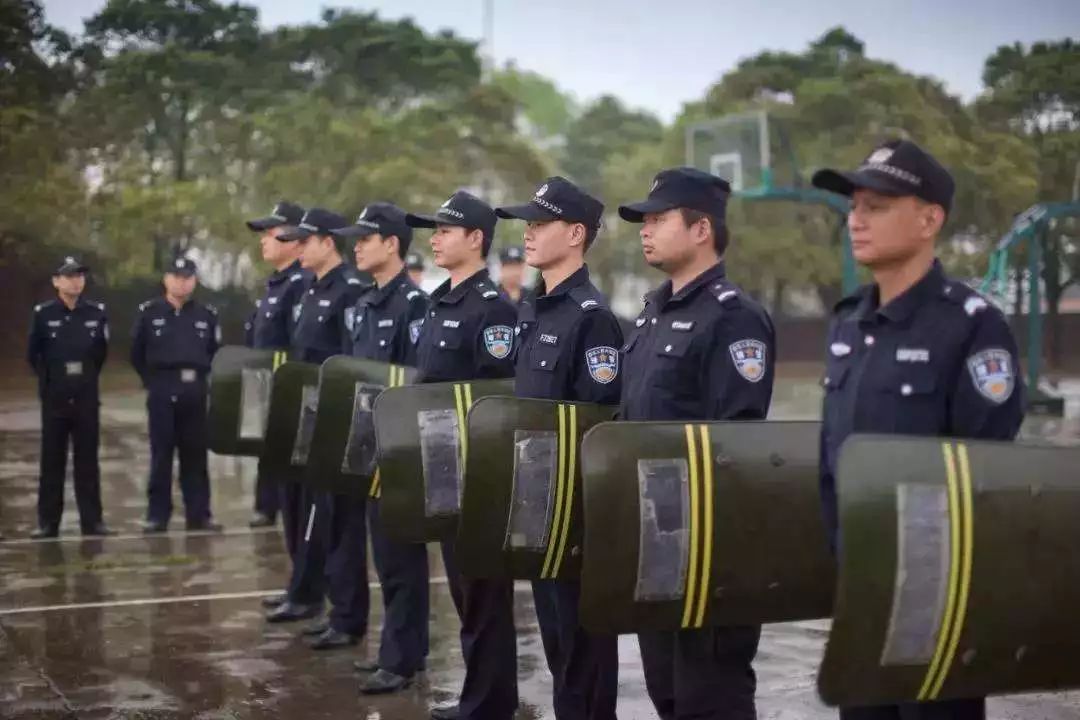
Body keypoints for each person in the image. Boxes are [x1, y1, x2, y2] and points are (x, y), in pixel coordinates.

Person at [812, 140, 1025, 720]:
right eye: (854, 206)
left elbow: (988, 484)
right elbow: (833, 466)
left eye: (876, 206)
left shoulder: (971, 328)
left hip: (938, 608)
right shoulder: (847, 324)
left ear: (930, 218)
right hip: (860, 597)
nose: (856, 220)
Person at [618, 167, 775, 720]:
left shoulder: (734, 319)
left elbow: (738, 448)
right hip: (655, 541)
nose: (645, 230)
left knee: (711, 698)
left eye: (658, 219)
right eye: (644, 221)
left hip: (710, 552)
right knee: (667, 693)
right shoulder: (651, 312)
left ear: (701, 228)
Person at [496, 177, 623, 720]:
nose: (528, 234)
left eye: (539, 224)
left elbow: (599, 429)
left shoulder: (590, 318)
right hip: (537, 507)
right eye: (526, 224)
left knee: (582, 653)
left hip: (575, 520)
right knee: (557, 651)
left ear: (575, 234)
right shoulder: (536, 308)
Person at [405, 190, 519, 720]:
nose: (436, 237)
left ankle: (489, 704)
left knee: (483, 594)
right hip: (442, 465)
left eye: (446, 230)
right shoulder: (439, 301)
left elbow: (496, 399)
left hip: (477, 471)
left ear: (475, 239)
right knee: (464, 591)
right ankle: (482, 696)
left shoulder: (493, 309)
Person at [330, 202, 431, 692]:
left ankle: (402, 658)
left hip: (401, 453)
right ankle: (399, 650)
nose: (357, 246)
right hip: (369, 449)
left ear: (392, 244)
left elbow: (415, 386)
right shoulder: (363, 307)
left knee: (401, 560)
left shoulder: (415, 307)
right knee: (385, 560)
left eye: (366, 238)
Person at [265, 207, 368, 628]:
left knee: (333, 518)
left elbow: (351, 361)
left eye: (305, 241)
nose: (298, 247)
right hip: (304, 414)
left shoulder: (349, 291)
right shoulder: (307, 289)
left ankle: (341, 608)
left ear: (328, 242)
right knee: (304, 510)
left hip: (334, 416)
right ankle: (310, 592)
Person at [131, 255, 223, 533]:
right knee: (162, 455)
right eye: (176, 277)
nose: (182, 283)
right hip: (162, 388)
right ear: (166, 279)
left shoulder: (206, 314)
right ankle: (157, 515)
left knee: (195, 455)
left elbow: (213, 352)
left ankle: (199, 515)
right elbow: (136, 353)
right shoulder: (150, 312)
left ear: (194, 281)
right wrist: (153, 382)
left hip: (195, 389)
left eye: (187, 277)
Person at [26, 256, 111, 539]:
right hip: (55, 398)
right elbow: (34, 356)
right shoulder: (43, 314)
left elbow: (99, 354)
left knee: (87, 462)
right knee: (52, 462)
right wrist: (53, 383)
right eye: (69, 276)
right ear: (56, 281)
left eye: (80, 276)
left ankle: (92, 522)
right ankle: (48, 522)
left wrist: (83, 381)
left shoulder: (96, 313)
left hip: (86, 397)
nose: (76, 281)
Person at [244, 200, 308, 533]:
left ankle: (278, 506)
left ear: (297, 239)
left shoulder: (301, 284)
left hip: (290, 389)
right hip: (267, 383)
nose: (264, 240)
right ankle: (267, 504)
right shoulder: (276, 282)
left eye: (272, 233)